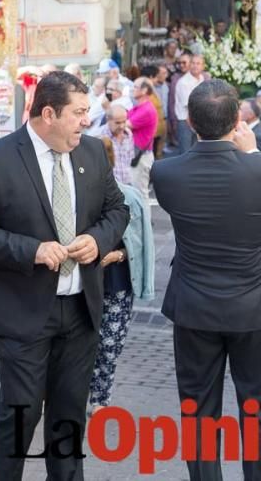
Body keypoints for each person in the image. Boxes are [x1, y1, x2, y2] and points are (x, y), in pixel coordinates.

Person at [0, 71, 129, 479]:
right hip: (22, 312)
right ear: (48, 113)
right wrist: (31, 250)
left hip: (81, 310)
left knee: (69, 417)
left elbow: (118, 210)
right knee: (20, 413)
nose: (87, 121)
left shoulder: (91, 153)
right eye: (79, 113)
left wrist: (97, 239)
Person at [151, 79, 261, 481]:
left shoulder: (165, 173)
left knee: (198, 410)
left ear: (188, 120)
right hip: (257, 305)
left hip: (194, 305)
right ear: (238, 120)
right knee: (259, 409)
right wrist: (252, 152)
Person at [88, 137, 155, 413]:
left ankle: (100, 398)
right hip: (83, 282)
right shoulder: (76, 195)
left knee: (109, 344)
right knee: (81, 343)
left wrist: (116, 256)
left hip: (116, 281)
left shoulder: (130, 196)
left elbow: (142, 245)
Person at [127, 76, 158, 198]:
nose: (132, 89)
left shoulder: (146, 110)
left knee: (140, 194)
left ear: (144, 90)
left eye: (135, 87)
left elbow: (124, 124)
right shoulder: (139, 108)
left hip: (141, 157)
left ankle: (144, 218)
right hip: (138, 155)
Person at [173, 53, 206, 153]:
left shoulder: (202, 79)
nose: (195, 66)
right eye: (193, 63)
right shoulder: (184, 82)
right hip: (186, 121)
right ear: (189, 65)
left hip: (198, 121)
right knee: (185, 153)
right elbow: (190, 107)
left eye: (198, 63)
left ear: (203, 66)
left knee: (197, 153)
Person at [98, 105, 135, 185]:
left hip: (127, 182)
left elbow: (130, 159)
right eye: (117, 123)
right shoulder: (99, 137)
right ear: (108, 119)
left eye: (124, 122)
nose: (121, 126)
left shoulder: (128, 134)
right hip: (110, 186)